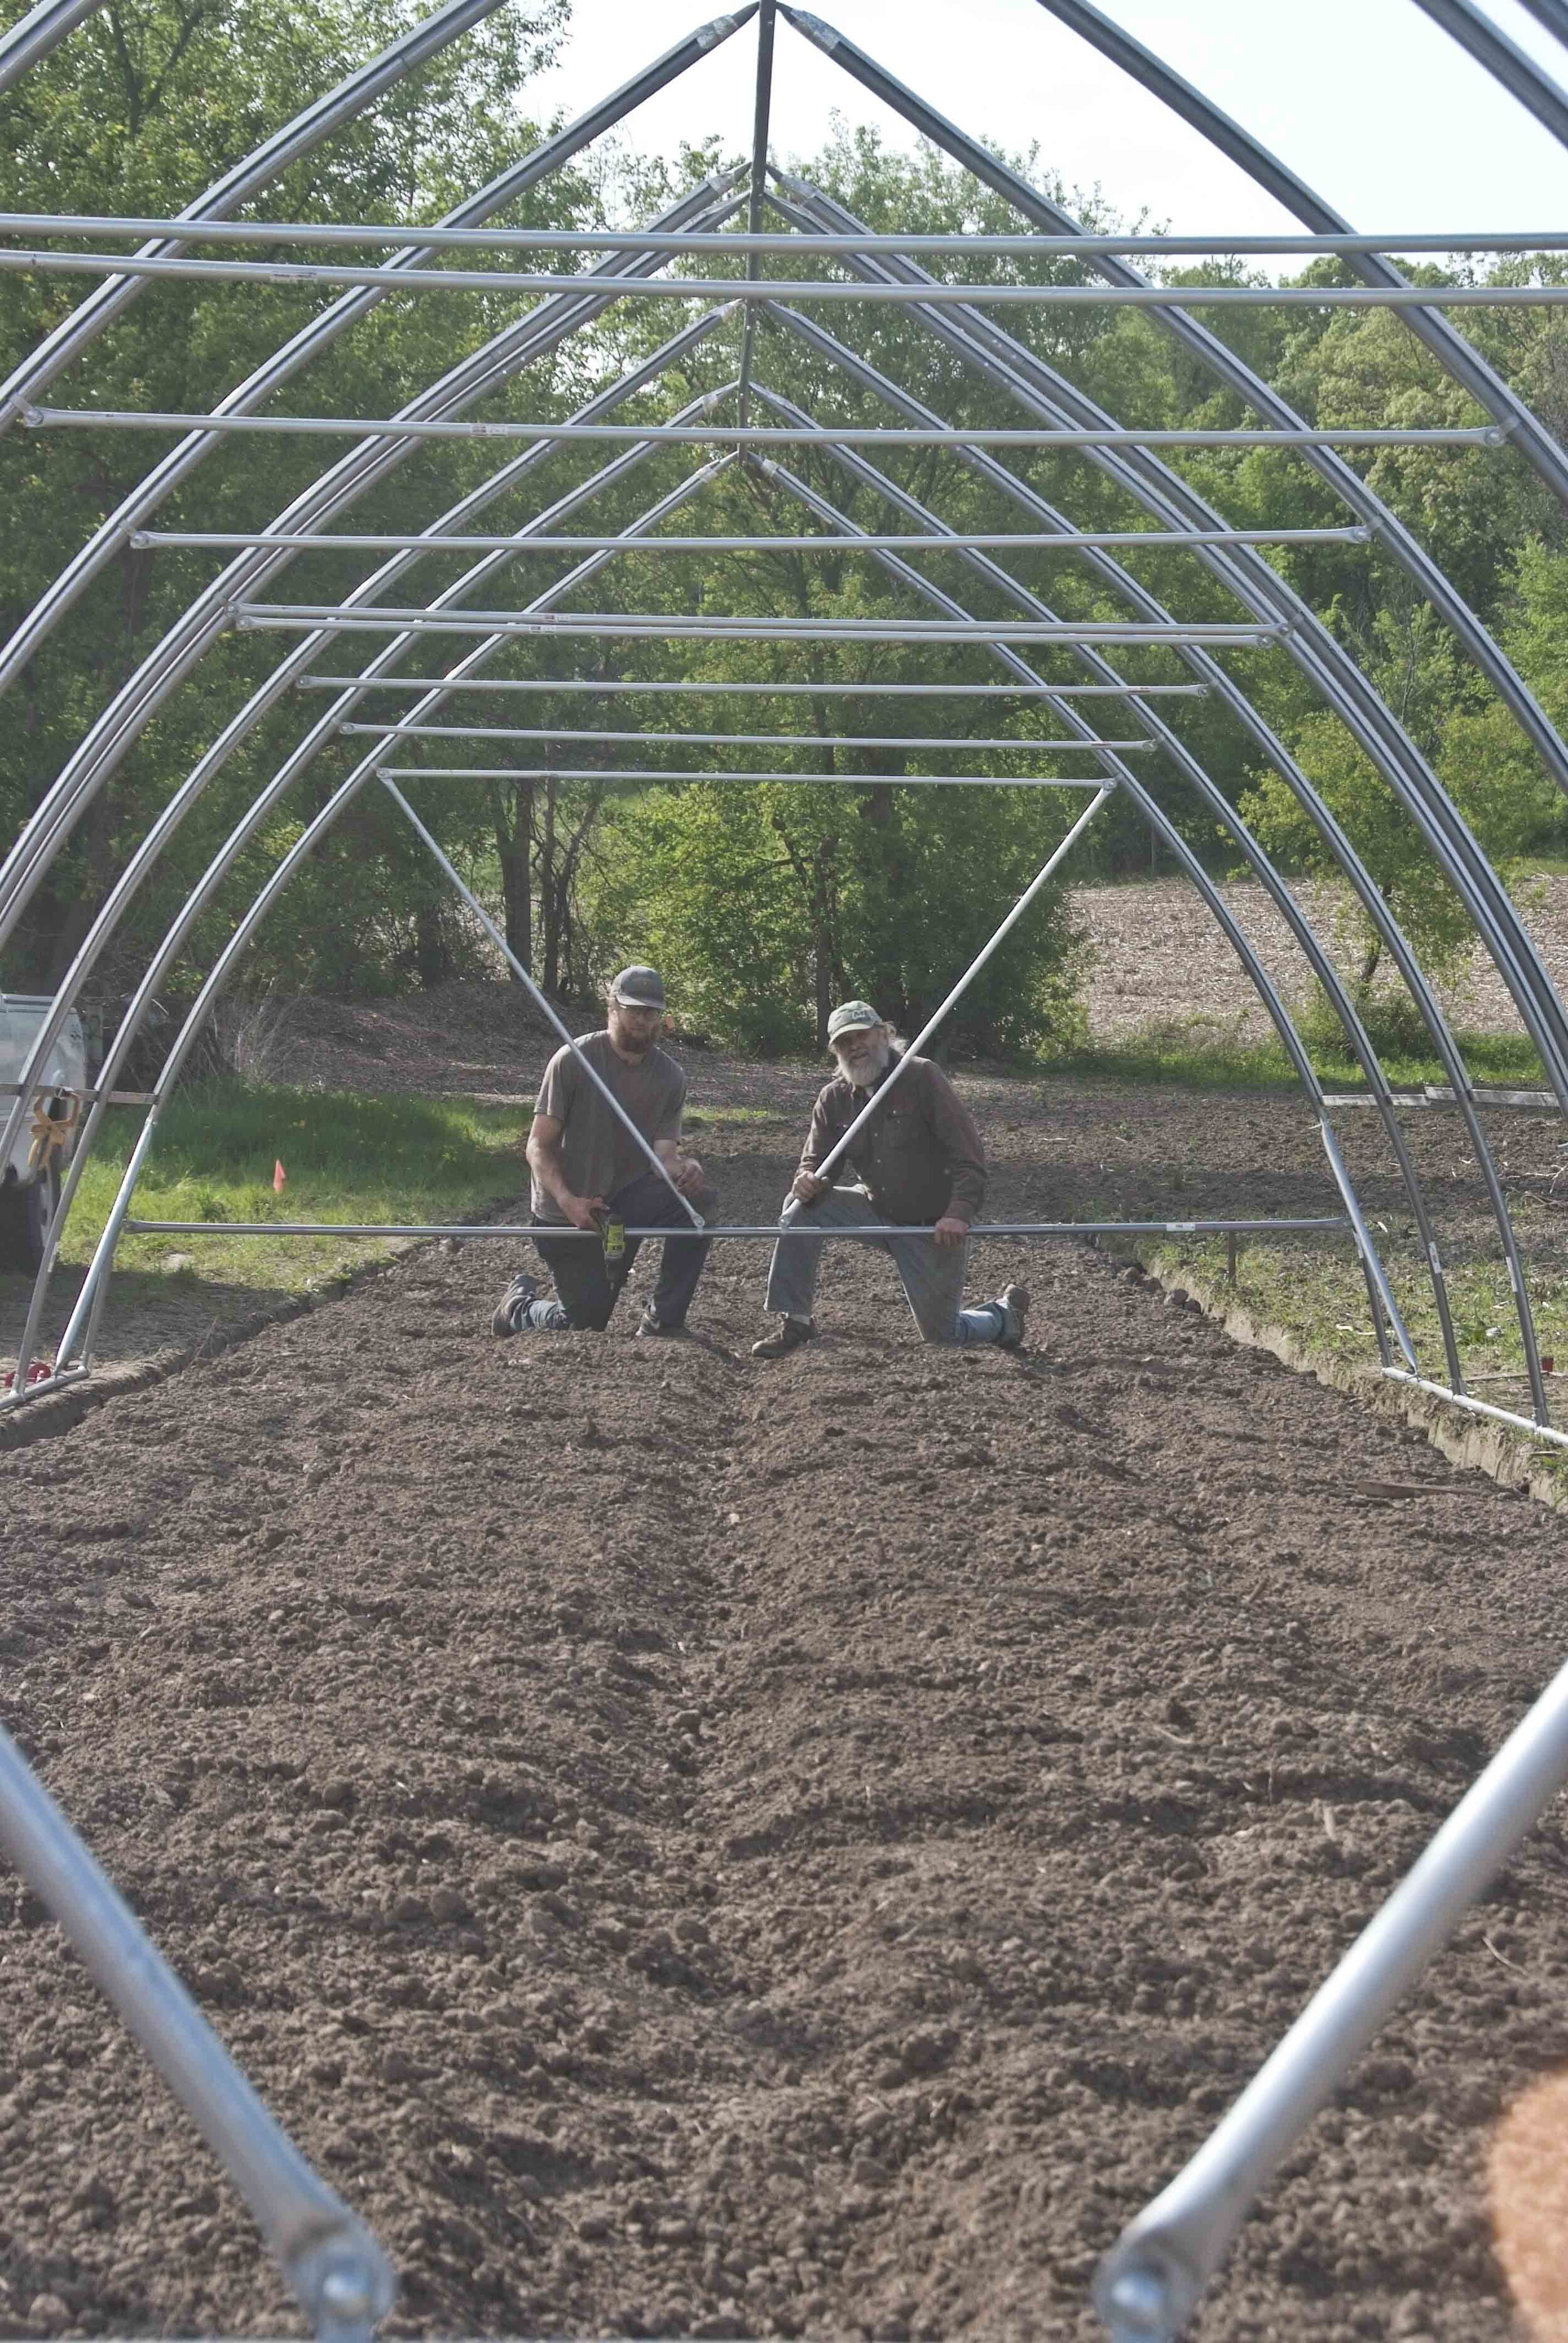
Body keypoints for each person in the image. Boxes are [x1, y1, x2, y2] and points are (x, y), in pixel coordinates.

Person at [751, 999, 1028, 1359]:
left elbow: (970, 1158)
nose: (854, 1047)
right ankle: (797, 1323)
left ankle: (1003, 1317)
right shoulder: (833, 1099)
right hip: (876, 1212)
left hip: (932, 1228)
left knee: (942, 1335)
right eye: (844, 1042)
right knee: (800, 1208)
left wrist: (959, 1212)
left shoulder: (922, 1078)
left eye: (862, 1036)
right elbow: (817, 1165)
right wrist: (807, 1180)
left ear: (884, 1035)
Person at [490, 965, 715, 1341]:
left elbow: (663, 1159)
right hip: (565, 1210)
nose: (643, 1020)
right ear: (612, 1008)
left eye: (651, 1012)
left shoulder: (670, 1077)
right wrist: (568, 1201)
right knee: (582, 1324)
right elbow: (538, 1145)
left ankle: (664, 1321)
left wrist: (686, 1168)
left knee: (699, 1205)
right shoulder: (572, 1061)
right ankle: (518, 1308)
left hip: (622, 1202)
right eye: (634, 1009)